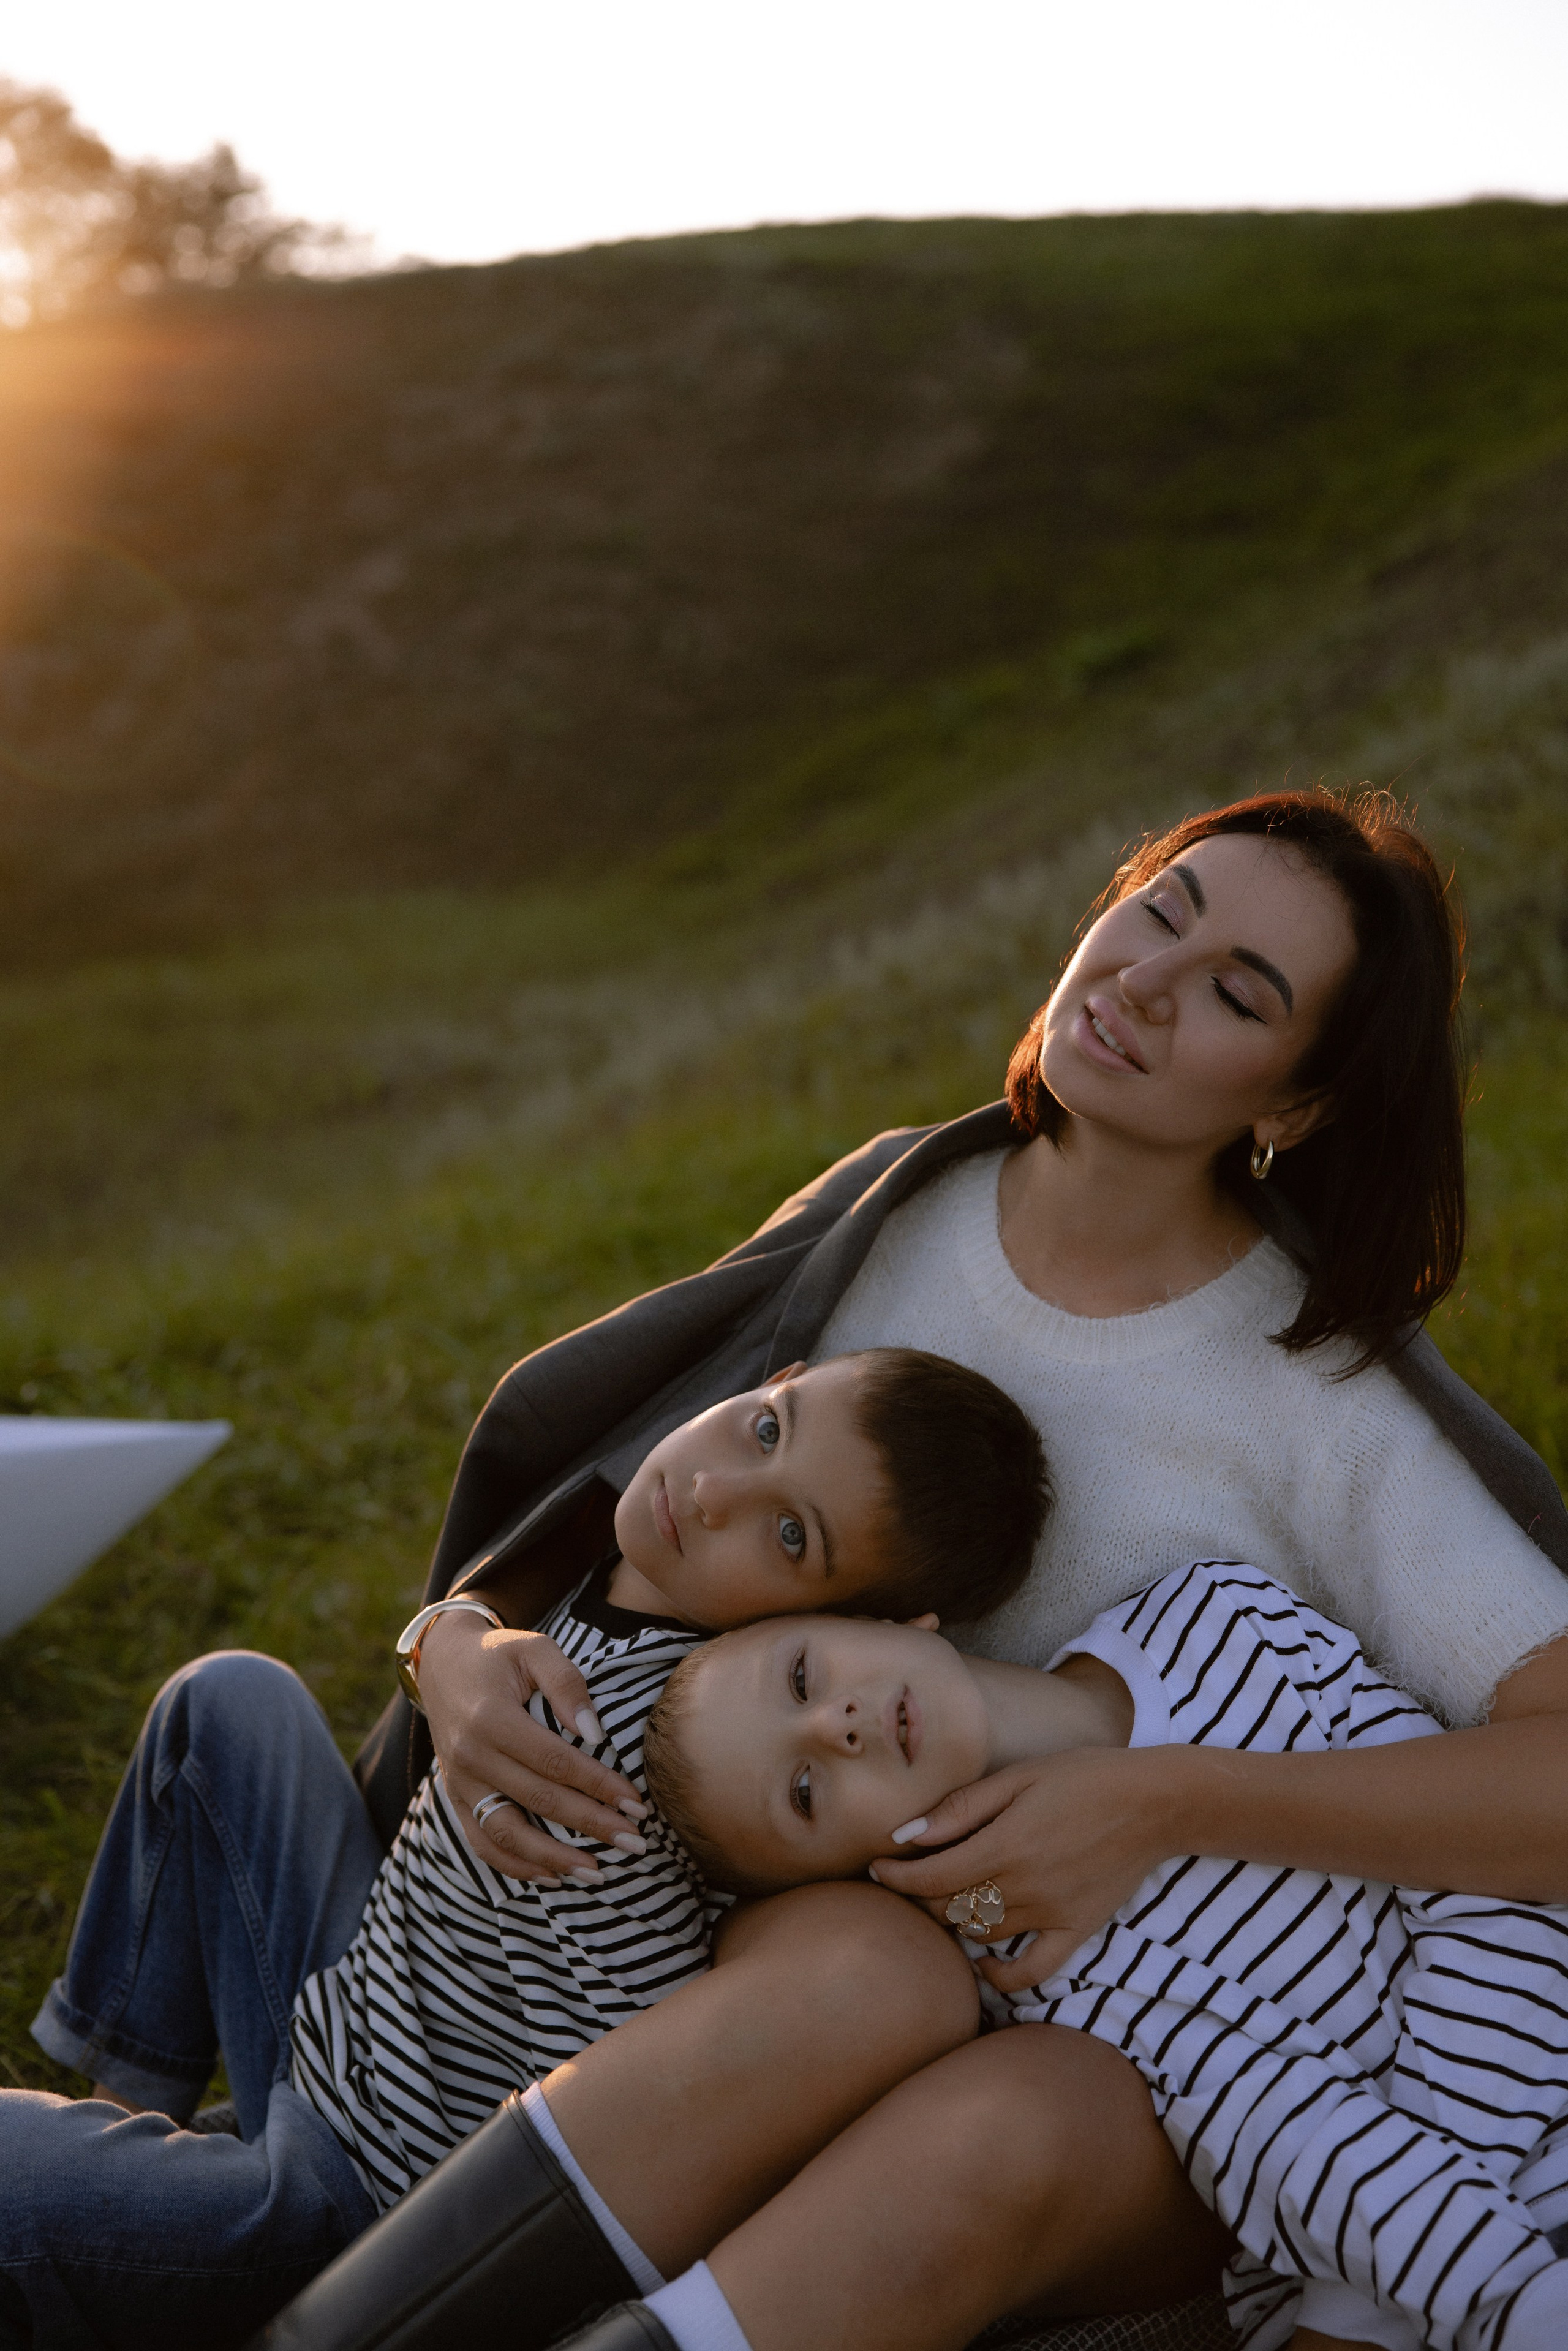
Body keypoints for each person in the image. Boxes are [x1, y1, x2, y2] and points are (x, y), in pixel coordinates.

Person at [322, 788, 1568, 2351]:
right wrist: (451, 1637)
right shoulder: (890, 1208)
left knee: (990, 2091)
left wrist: (1161, 1799)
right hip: (778, 1928)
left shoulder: (1317, 1402)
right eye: (1158, 911)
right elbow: (635, 1515)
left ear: (1298, 1100)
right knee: (870, 1966)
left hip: (1173, 2049)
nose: (1143, 982)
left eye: (1236, 993)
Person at [8, 1351, 1044, 2350]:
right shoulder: (620, 1560)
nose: (714, 1490)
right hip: (339, 2008)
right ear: (774, 1379)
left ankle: (151, 2232)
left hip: (364, 2199)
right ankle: (135, 2135)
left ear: (840, 1620)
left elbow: (916, 1881)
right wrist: (455, 1628)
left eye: (787, 1534)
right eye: (767, 1428)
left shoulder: (693, 1747)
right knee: (229, 1703)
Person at [633, 1563, 1568, 2351]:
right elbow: (1284, 2134)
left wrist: (1453, 2223)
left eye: (803, 1676)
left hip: (1432, 2258)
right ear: (863, 1869)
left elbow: (1485, 1878)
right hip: (1434, 2271)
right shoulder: (1019, 1948)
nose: (833, 1726)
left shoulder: (1217, 1620)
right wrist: (1487, 2282)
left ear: (885, 1616)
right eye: (805, 1791)